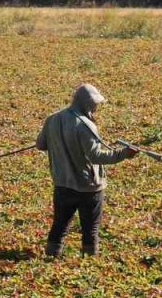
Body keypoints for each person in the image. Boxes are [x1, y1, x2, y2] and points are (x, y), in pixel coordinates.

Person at [35, 84, 139, 257]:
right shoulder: (85, 125)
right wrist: (124, 154)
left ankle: (51, 257)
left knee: (59, 224)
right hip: (88, 187)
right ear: (87, 103)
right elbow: (96, 156)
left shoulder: (52, 119)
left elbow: (40, 144)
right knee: (90, 228)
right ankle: (89, 262)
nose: (97, 107)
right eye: (95, 104)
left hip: (62, 184)